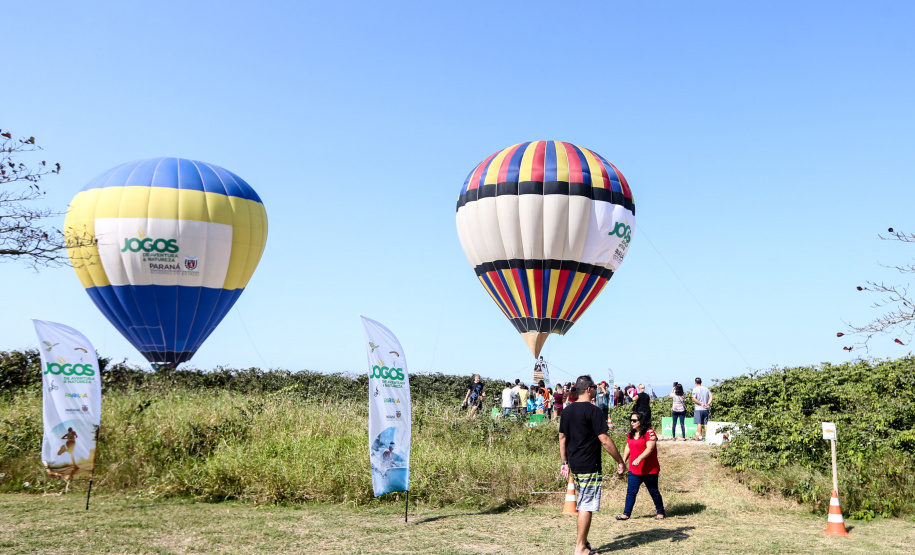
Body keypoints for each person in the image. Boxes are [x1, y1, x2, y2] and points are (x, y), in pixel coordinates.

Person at [559, 375, 625, 555]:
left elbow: (562, 437)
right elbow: (605, 440)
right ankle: (580, 547)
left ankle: (583, 541)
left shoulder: (567, 411)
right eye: (594, 387)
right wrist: (620, 460)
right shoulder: (593, 411)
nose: (595, 389)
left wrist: (564, 462)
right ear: (589, 389)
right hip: (589, 464)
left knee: (583, 503)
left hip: (575, 463)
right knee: (586, 506)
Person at [617, 411, 665, 521]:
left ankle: (660, 512)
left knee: (653, 491)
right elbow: (628, 447)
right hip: (634, 469)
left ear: (641, 421)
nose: (632, 422)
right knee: (631, 492)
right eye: (631, 420)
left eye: (634, 420)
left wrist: (639, 458)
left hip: (650, 469)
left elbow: (650, 448)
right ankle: (626, 514)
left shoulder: (649, 432)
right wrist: (623, 461)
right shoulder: (631, 433)